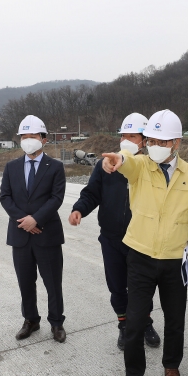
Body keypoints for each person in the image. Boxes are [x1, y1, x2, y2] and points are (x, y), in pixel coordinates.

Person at [102, 109, 188, 376]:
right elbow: (126, 163)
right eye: (150, 139)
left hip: (177, 258)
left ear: (176, 143)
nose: (154, 145)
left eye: (161, 140)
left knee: (175, 319)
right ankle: (134, 374)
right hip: (140, 256)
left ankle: (171, 366)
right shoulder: (141, 167)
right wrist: (117, 159)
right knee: (135, 321)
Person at [68, 113, 160, 350]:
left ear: (144, 140)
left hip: (141, 239)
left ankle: (145, 322)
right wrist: (79, 209)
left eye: (132, 136)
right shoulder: (105, 165)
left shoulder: (151, 167)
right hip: (111, 238)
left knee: (142, 287)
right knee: (117, 286)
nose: (126, 140)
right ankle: (124, 325)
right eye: (123, 136)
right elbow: (92, 193)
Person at [0, 115, 67, 343]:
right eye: (24, 136)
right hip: (20, 235)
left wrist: (37, 220)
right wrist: (25, 221)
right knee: (25, 282)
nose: (29, 140)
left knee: (52, 282)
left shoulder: (55, 167)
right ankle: (31, 320)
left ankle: (57, 323)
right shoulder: (11, 167)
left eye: (33, 136)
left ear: (44, 139)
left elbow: (56, 198)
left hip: (47, 234)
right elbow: (5, 197)